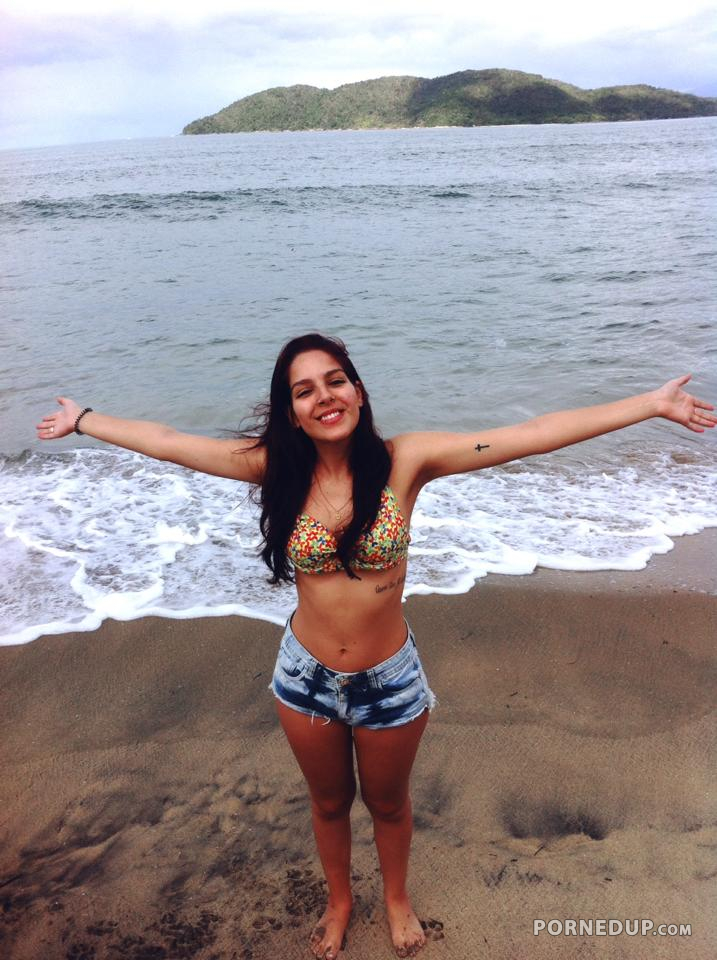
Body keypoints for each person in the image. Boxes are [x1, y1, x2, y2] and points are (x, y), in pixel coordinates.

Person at [36, 333, 715, 959]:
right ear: (291, 411)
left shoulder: (405, 462)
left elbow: (529, 436)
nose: (324, 397)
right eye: (305, 390)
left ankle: (394, 898)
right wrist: (84, 419)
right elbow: (167, 442)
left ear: (358, 391)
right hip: (303, 677)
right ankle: (339, 901)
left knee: (388, 804)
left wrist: (649, 404)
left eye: (335, 381)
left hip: (389, 680)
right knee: (328, 804)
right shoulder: (273, 468)